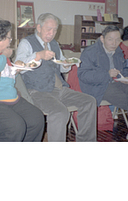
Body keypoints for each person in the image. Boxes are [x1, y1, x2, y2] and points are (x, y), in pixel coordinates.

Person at [15, 13, 97, 142]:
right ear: (39, 27)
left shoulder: (54, 44)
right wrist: (38, 55)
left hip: (59, 88)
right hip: (37, 91)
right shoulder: (27, 43)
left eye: (55, 30)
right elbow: (19, 66)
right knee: (60, 112)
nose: (52, 33)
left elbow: (61, 65)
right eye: (49, 29)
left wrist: (66, 64)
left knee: (89, 101)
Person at [77, 25, 128, 142]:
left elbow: (124, 67)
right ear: (102, 39)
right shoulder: (90, 52)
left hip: (117, 83)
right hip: (98, 86)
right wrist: (107, 74)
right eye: (110, 39)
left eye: (117, 39)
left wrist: (127, 77)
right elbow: (83, 75)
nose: (114, 43)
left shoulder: (118, 51)